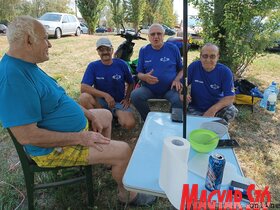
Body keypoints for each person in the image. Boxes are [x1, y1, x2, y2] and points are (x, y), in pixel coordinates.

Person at [0, 16, 155, 206]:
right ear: (28, 40)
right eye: (44, 38)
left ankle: (107, 160)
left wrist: (89, 114)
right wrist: (81, 138)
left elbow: (60, 99)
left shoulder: (26, 66)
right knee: (124, 150)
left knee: (105, 115)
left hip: (69, 132)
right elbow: (27, 136)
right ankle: (127, 195)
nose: (50, 44)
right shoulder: (13, 77)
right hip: (52, 150)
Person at [79, 37, 136, 129]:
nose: (105, 52)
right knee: (84, 97)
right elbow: (84, 88)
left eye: (107, 49)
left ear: (112, 50)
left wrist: (127, 98)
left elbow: (131, 82)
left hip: (118, 102)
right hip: (100, 103)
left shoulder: (122, 64)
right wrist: (105, 95)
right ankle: (97, 120)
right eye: (101, 50)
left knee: (129, 124)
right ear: (98, 52)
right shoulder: (93, 66)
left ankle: (114, 117)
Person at [131, 23, 183, 121]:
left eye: (159, 34)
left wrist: (177, 79)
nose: (156, 37)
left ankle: (174, 122)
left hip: (169, 89)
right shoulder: (144, 50)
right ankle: (149, 120)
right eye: (153, 34)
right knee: (135, 95)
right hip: (149, 89)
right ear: (148, 37)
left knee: (178, 100)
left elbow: (182, 69)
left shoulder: (173, 49)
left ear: (163, 36)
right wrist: (145, 77)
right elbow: (139, 73)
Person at [183, 43, 238, 122]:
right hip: (195, 108)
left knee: (232, 111)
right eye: (205, 56)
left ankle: (218, 125)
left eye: (212, 56)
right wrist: (183, 92)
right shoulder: (193, 67)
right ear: (200, 56)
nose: (208, 60)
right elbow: (183, 84)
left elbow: (230, 97)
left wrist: (212, 110)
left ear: (218, 57)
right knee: (192, 126)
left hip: (217, 108)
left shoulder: (225, 72)